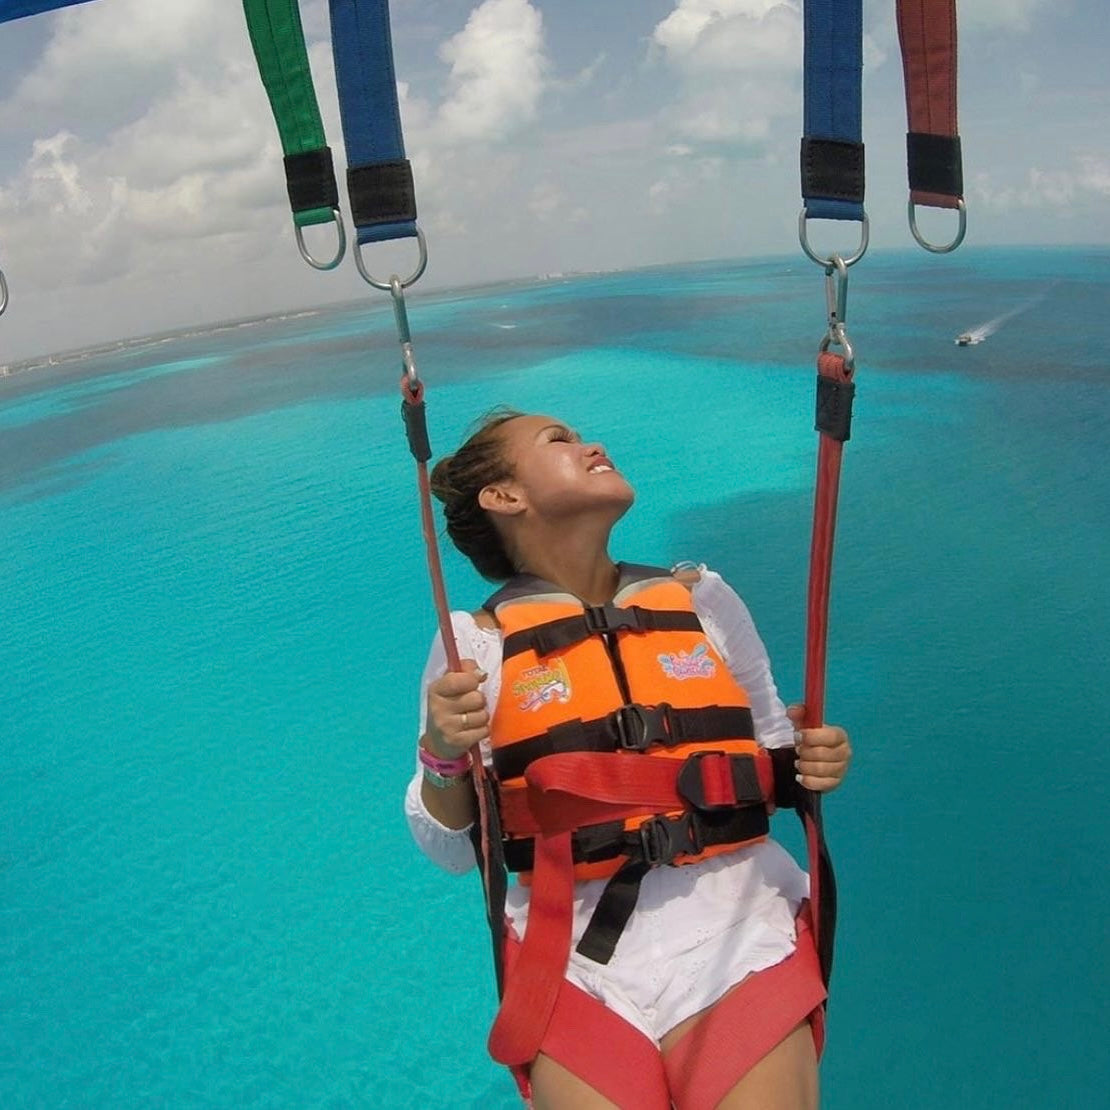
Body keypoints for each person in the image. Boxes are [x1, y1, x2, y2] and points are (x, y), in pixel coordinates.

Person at [405, 409, 852, 1110]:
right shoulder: (476, 645)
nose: (594, 445)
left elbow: (773, 753)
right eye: (561, 441)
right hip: (572, 958)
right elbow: (452, 846)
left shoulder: (703, 600)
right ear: (503, 497)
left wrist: (813, 760)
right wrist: (442, 752)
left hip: (738, 930)